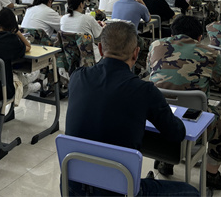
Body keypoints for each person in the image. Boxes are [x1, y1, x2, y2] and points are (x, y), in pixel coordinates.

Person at [65, 22, 199, 197]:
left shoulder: (77, 77)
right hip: (119, 190)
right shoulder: (144, 91)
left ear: (100, 48)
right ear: (136, 53)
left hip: (72, 186)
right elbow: (176, 133)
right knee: (192, 192)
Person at [147, 15, 221, 190]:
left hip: (158, 119)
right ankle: (211, 173)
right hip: (194, 124)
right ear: (199, 37)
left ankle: (166, 161)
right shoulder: (210, 53)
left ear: (172, 34)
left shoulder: (155, 45)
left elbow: (152, 72)